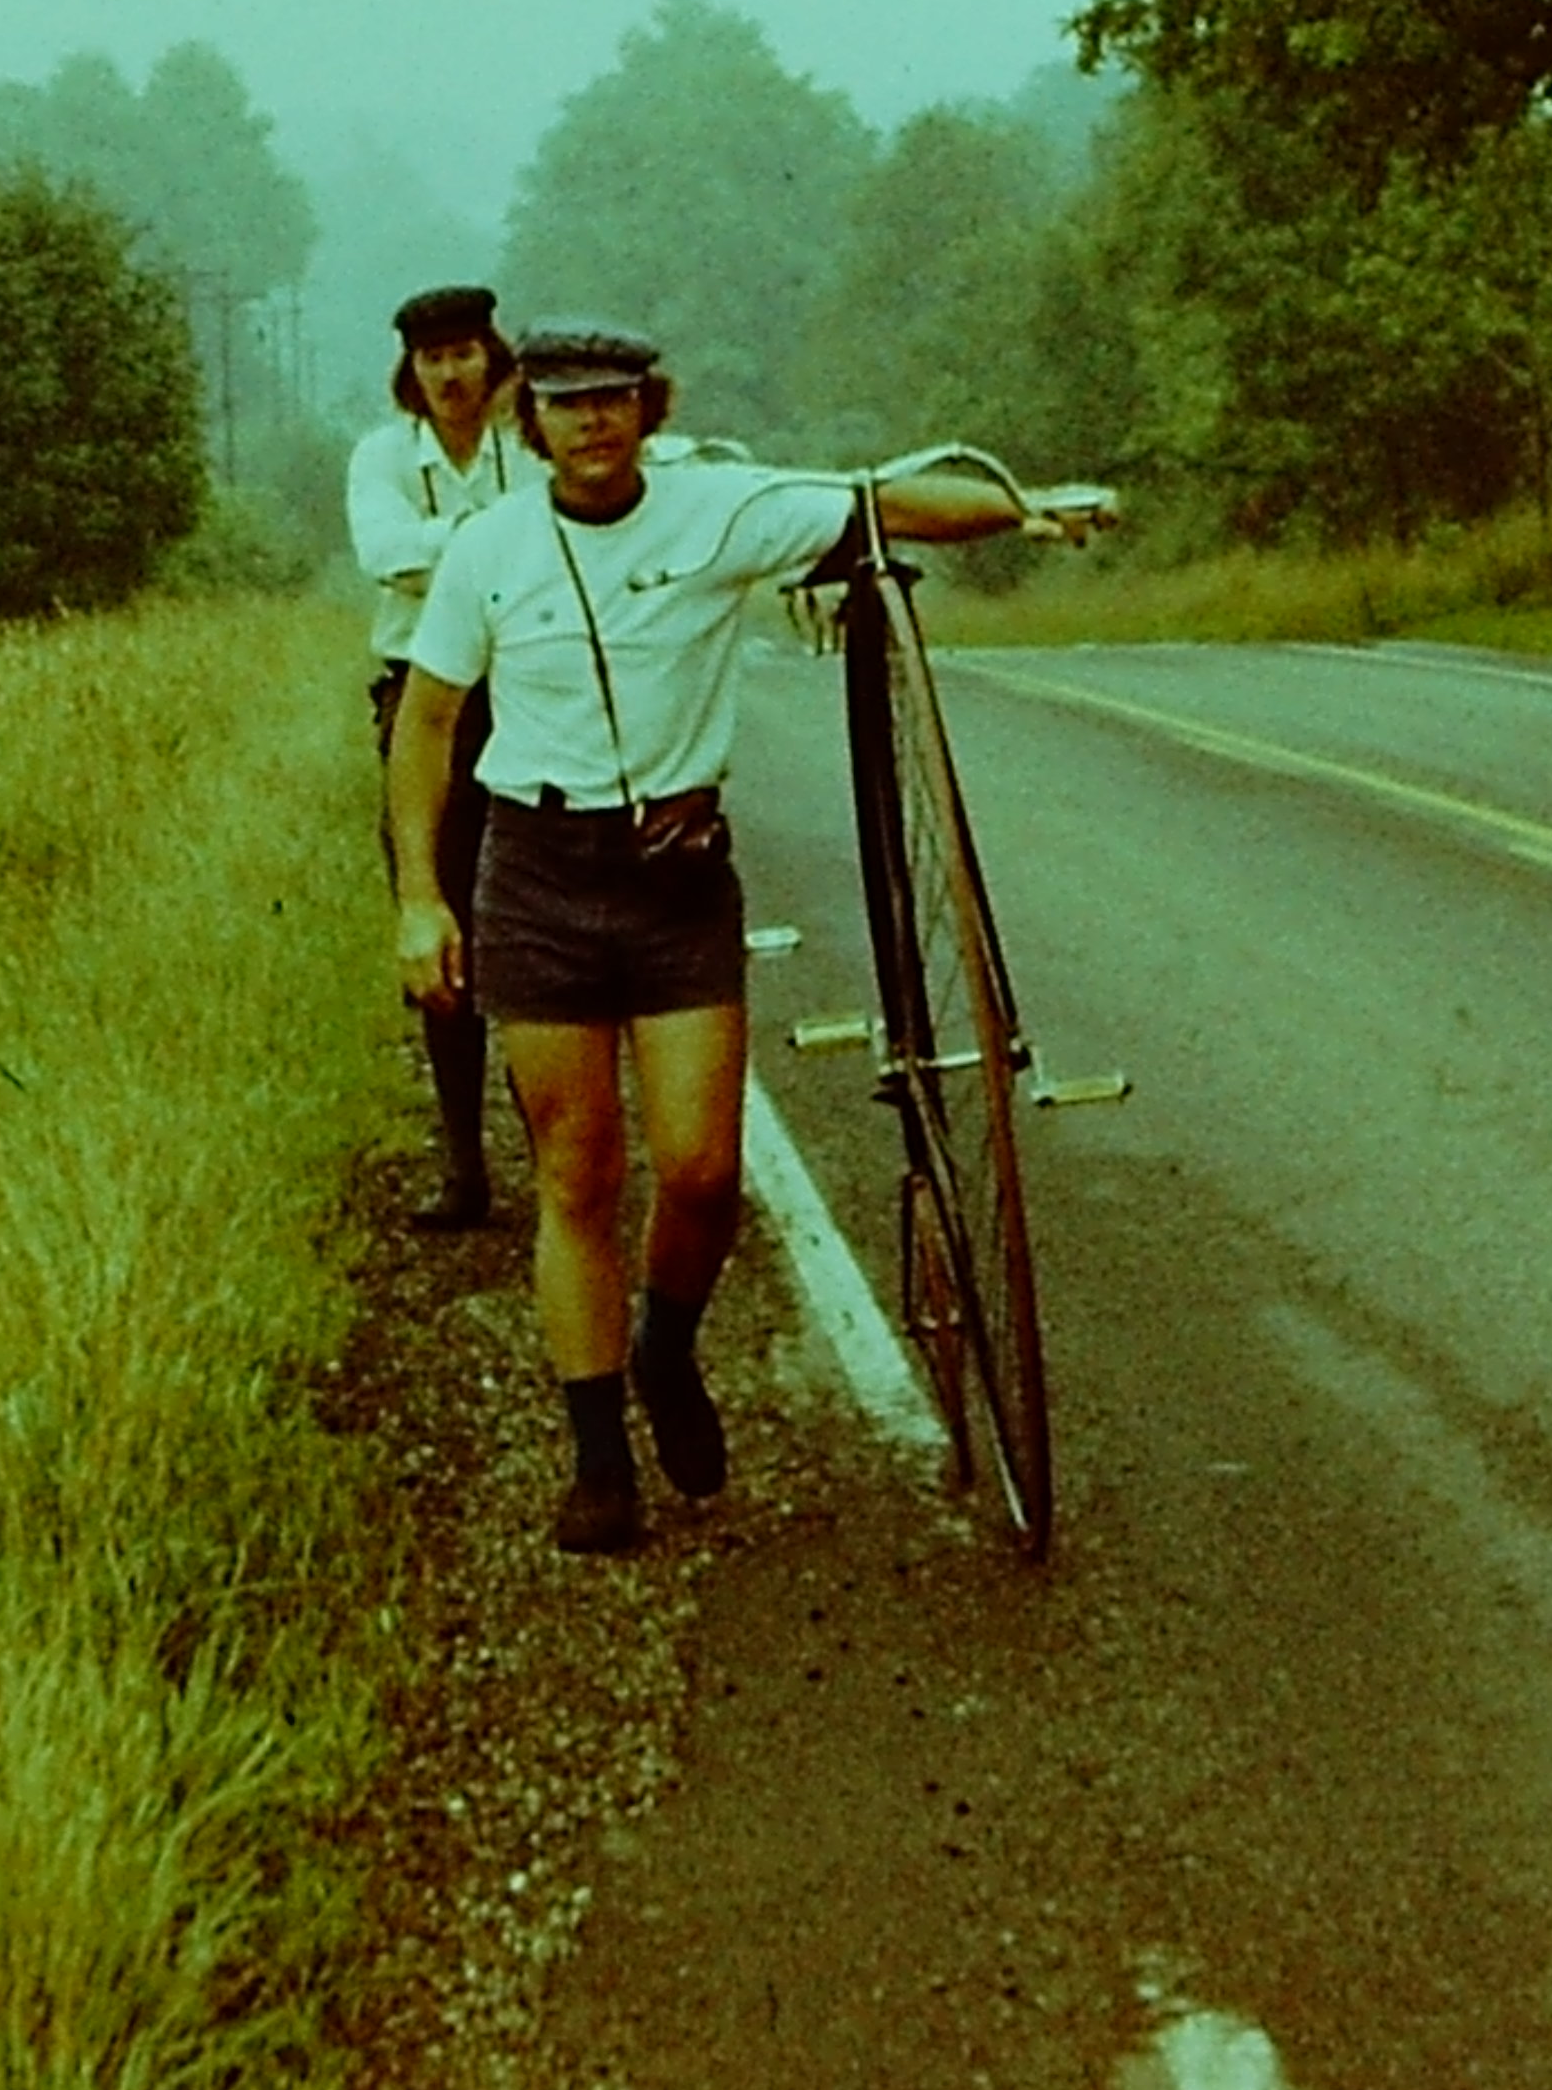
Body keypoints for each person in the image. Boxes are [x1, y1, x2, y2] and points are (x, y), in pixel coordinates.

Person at [385, 317, 1087, 1553]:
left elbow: (884, 505)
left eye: (613, 399)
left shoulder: (723, 509)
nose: (591, 421)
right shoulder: (484, 549)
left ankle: (666, 1344)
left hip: (675, 877)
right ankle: (599, 1459)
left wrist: (1021, 513)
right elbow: (430, 723)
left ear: (647, 408)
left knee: (704, 1168)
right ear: (528, 419)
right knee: (579, 1174)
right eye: (563, 403)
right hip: (537, 876)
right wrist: (419, 900)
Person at [351, 282, 524, 1227]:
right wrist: (493, 542)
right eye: (432, 359)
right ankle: (465, 1167)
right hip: (423, 705)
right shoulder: (381, 457)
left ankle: (562, 1153)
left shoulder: (524, 447)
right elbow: (386, 555)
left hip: (532, 697)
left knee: (539, 925)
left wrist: (448, 547)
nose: (451, 374)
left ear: (490, 360)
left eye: (465, 354)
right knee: (439, 921)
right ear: (411, 372)